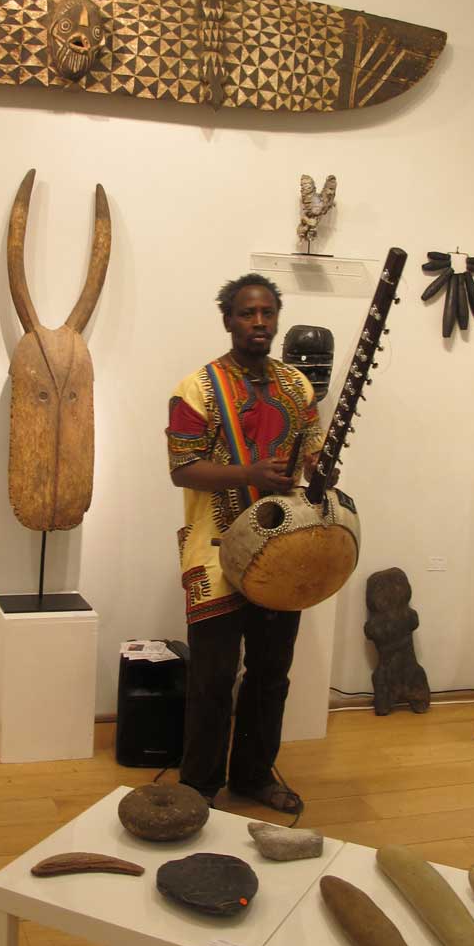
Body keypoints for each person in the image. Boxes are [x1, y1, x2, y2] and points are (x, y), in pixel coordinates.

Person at [166, 274, 324, 811]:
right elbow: (182, 469)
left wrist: (320, 470)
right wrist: (247, 473)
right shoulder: (196, 387)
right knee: (212, 676)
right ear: (228, 320)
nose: (258, 322)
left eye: (267, 313)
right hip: (214, 549)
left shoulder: (297, 387)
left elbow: (312, 455)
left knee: (271, 673)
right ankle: (199, 785)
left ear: (277, 318)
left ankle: (254, 775)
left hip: (283, 548)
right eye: (246, 313)